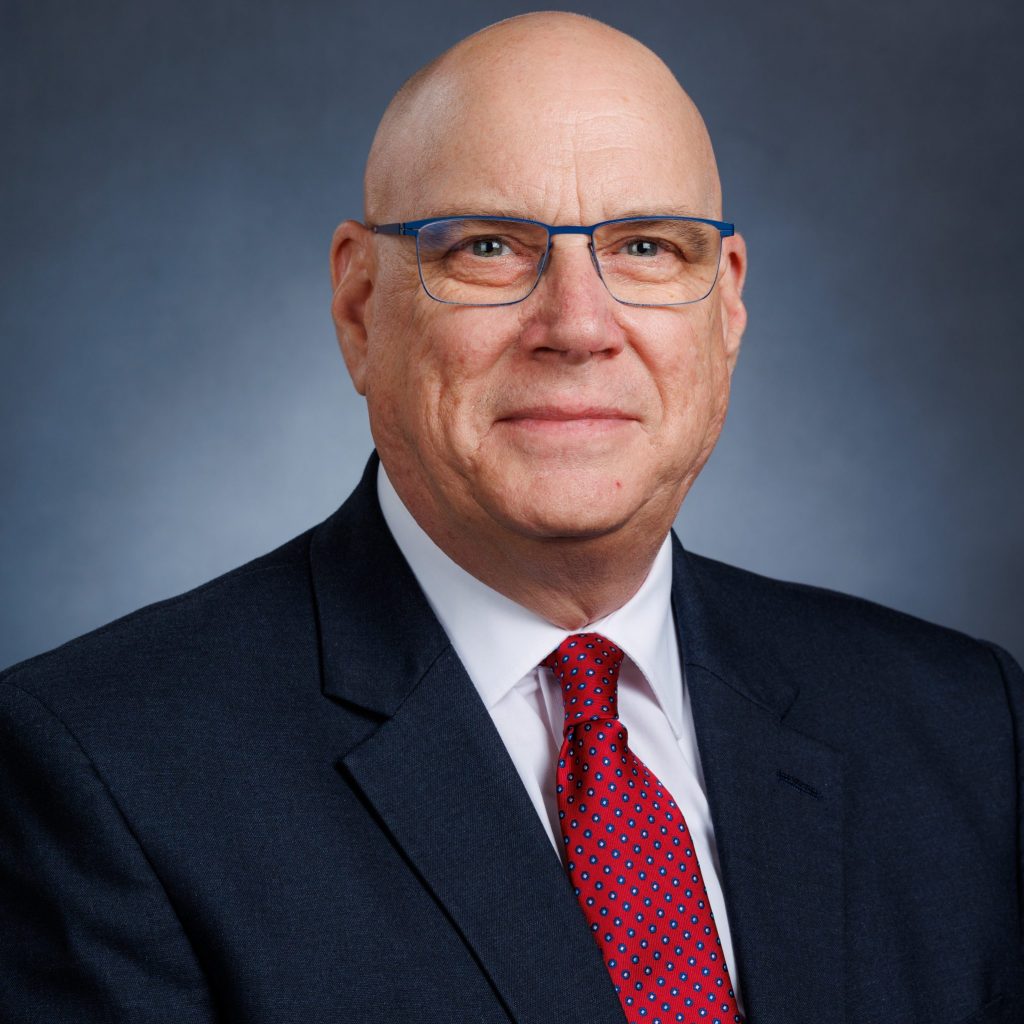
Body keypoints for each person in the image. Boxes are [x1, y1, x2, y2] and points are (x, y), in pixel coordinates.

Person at [1, 11, 1020, 1024]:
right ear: (361, 307)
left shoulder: (962, 727)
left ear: (727, 308)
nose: (577, 324)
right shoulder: (105, 769)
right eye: (488, 246)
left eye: (646, 247)